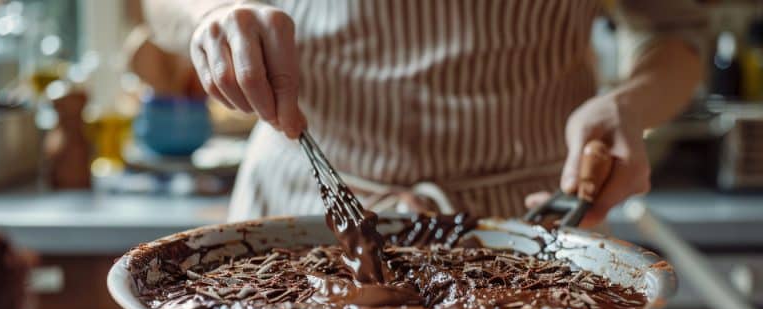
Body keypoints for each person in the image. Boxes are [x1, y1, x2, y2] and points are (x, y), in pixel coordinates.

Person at [144, 0, 705, 225]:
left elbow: (674, 31)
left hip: (525, 229)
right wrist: (213, 12)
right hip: (302, 215)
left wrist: (629, 108)